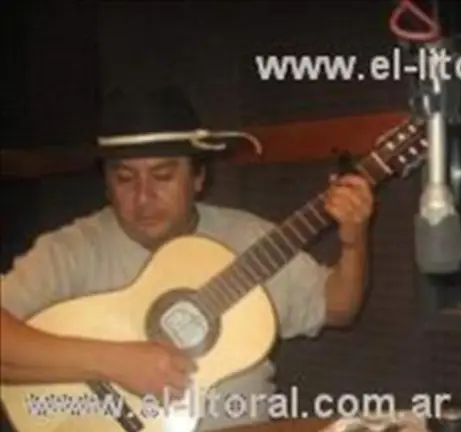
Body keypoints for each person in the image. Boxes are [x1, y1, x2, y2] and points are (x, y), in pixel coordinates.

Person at [0, 87, 374, 430]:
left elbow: (339, 308)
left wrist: (353, 241)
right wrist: (114, 362)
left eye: (162, 176)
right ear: (106, 184)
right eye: (125, 179)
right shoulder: (72, 250)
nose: (143, 198)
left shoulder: (250, 239)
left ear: (198, 178)